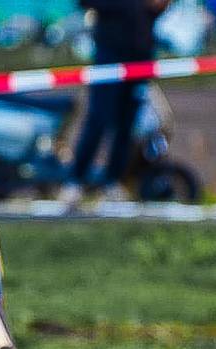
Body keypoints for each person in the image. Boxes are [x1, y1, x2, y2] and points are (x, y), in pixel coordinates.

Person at [59, 0, 170, 203]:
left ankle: (112, 182)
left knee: (127, 124)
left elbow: (158, 9)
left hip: (140, 54)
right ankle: (75, 181)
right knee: (99, 118)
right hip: (109, 52)